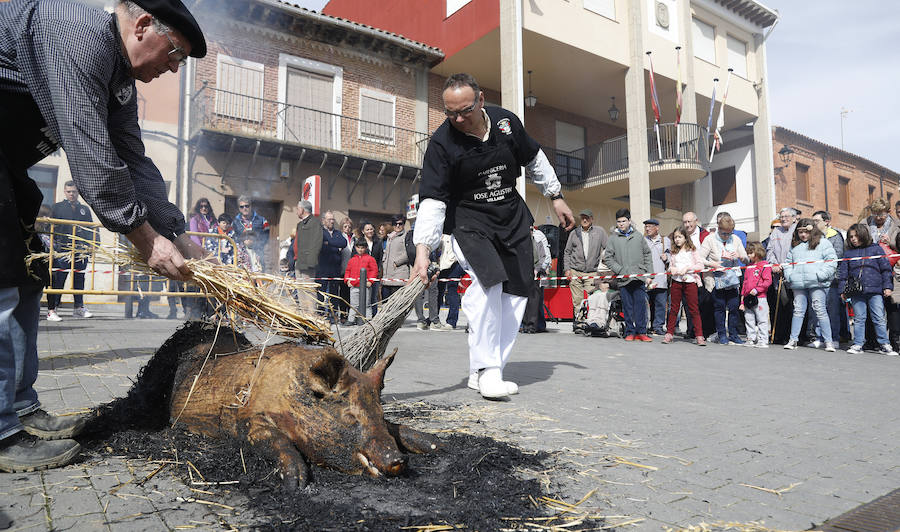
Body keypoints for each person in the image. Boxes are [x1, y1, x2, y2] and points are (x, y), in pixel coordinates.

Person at [0, 0, 208, 472]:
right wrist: (148, 240)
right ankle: (2, 431)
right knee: (1, 283)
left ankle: (22, 407)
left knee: (29, 273)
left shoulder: (119, 79)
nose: (173, 69)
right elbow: (94, 160)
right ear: (141, 27)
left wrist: (178, 230)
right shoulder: (81, 41)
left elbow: (133, 159)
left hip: (8, 161)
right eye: (174, 54)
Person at [410, 73, 574, 399]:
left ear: (481, 100)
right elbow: (432, 200)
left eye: (465, 110)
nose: (458, 119)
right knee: (488, 287)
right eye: (450, 113)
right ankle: (489, 371)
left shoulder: (505, 123)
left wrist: (555, 196)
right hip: (469, 222)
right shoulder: (442, 144)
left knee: (515, 294)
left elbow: (533, 158)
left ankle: (484, 369)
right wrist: (423, 251)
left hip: (511, 217)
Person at [838, 224, 897, 356]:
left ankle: (884, 344)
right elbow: (843, 273)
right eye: (851, 237)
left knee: (879, 318)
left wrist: (888, 286)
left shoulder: (876, 249)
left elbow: (886, 269)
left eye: (856, 236)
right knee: (859, 318)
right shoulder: (848, 253)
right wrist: (842, 290)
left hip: (875, 290)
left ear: (863, 235)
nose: (853, 239)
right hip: (856, 291)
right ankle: (858, 343)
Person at [782, 219, 837, 351]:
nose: (803, 235)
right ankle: (793, 339)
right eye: (800, 232)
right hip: (798, 283)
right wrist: (790, 276)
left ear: (812, 231)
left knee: (820, 310)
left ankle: (828, 341)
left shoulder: (823, 243)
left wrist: (821, 275)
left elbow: (831, 261)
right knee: (798, 311)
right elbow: (788, 263)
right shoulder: (795, 246)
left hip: (817, 283)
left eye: (805, 232)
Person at [46, 181, 96, 321]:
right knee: (58, 279)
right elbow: (49, 227)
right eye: (69, 191)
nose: (72, 194)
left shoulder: (84, 209)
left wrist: (93, 245)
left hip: (80, 250)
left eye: (74, 191)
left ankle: (78, 308)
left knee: (79, 279)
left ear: (78, 192)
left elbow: (92, 228)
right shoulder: (57, 207)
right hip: (62, 250)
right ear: (64, 192)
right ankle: (52, 309)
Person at [605, 208, 652, 342]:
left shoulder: (638, 236)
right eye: (619, 222)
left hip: (638, 277)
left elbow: (647, 254)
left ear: (629, 221)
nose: (621, 224)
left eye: (624, 221)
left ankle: (642, 332)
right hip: (623, 278)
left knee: (640, 306)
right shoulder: (613, 239)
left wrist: (649, 274)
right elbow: (608, 258)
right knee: (627, 307)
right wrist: (619, 270)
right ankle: (630, 332)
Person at [701, 213, 748, 345]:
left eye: (729, 233)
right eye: (724, 233)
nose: (726, 236)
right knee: (719, 308)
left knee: (734, 307)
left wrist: (739, 255)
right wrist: (713, 264)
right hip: (716, 278)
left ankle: (733, 334)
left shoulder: (736, 239)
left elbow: (746, 258)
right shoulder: (710, 239)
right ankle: (722, 334)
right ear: (718, 228)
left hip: (732, 279)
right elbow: (700, 258)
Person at [563, 209, 608, 324]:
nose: (584, 220)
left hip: (592, 272)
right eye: (582, 217)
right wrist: (567, 269)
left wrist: (605, 266)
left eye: (587, 217)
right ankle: (579, 322)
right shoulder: (574, 233)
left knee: (592, 298)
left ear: (592, 219)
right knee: (577, 300)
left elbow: (608, 249)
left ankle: (591, 321)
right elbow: (567, 252)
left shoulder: (600, 232)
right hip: (575, 271)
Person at [663, 226, 705, 346]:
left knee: (693, 309)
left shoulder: (692, 250)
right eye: (675, 237)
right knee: (674, 308)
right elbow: (670, 266)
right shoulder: (673, 252)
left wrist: (688, 268)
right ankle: (669, 333)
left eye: (680, 237)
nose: (677, 239)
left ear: (686, 238)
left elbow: (700, 265)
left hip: (690, 281)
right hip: (676, 282)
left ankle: (699, 335)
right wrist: (673, 269)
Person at [811, 210, 846, 346]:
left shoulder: (835, 235)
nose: (814, 224)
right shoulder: (814, 237)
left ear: (826, 222)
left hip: (832, 279)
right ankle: (820, 338)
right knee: (818, 309)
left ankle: (834, 338)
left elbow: (838, 255)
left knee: (832, 310)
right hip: (817, 278)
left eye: (817, 221)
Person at [767, 208, 798, 344]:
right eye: (781, 216)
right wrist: (773, 264)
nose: (784, 218)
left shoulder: (797, 231)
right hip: (778, 274)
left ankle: (795, 336)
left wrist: (787, 265)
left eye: (786, 216)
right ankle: (780, 335)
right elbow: (770, 251)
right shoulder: (776, 232)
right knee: (780, 306)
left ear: (793, 218)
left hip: (794, 273)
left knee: (794, 306)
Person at [681, 211, 714, 340]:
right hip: (685, 275)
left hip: (702, 274)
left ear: (696, 221)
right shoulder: (680, 235)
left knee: (704, 304)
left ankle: (705, 331)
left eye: (689, 221)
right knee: (688, 304)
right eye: (685, 222)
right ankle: (691, 331)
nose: (687, 224)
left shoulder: (705, 235)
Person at [740, 242, 773, 348]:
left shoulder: (764, 265)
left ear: (757, 252)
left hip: (760, 297)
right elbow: (744, 284)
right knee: (748, 318)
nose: (749, 255)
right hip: (748, 298)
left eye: (751, 253)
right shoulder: (749, 267)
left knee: (761, 319)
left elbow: (767, 281)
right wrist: (742, 300)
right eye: (748, 253)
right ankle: (751, 338)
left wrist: (757, 289)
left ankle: (763, 339)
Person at [521, 226, 551, 334]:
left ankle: (532, 326)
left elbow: (544, 257)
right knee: (524, 301)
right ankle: (524, 324)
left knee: (534, 302)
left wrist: (537, 269)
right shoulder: (520, 243)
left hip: (536, 274)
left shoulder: (538, 241)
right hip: (524, 274)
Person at [317, 210, 346, 321]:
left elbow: (343, 243)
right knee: (321, 292)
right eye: (329, 219)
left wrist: (329, 242)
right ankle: (320, 315)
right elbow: (321, 245)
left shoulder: (338, 233)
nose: (332, 221)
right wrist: (333, 243)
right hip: (322, 268)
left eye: (333, 219)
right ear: (323, 220)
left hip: (335, 269)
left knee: (334, 293)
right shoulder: (320, 231)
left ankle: (333, 316)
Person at [643, 218, 670, 336]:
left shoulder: (665, 241)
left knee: (660, 304)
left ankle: (657, 327)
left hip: (661, 278)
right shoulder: (643, 241)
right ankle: (645, 326)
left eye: (650, 226)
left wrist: (667, 257)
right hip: (647, 279)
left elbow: (672, 255)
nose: (647, 229)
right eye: (646, 227)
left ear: (657, 227)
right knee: (647, 304)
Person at [344, 239, 378, 323]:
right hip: (354, 285)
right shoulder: (352, 260)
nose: (360, 249)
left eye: (362, 247)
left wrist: (370, 281)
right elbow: (348, 270)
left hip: (366, 286)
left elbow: (374, 270)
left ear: (366, 248)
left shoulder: (370, 259)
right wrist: (347, 280)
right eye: (358, 247)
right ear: (355, 248)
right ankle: (351, 320)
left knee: (366, 304)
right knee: (354, 304)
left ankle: (368, 319)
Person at [233, 195, 269, 272]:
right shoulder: (235, 222)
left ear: (251, 206)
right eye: (241, 207)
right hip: (242, 255)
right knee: (244, 279)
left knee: (259, 278)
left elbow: (266, 236)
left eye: (247, 206)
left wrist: (256, 242)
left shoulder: (262, 220)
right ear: (239, 208)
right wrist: (243, 242)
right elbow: (233, 237)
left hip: (257, 253)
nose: (244, 208)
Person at [356, 222, 383, 315]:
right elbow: (354, 257)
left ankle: (374, 315)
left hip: (374, 274)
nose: (370, 231)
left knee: (373, 296)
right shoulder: (359, 242)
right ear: (363, 231)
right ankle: (360, 316)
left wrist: (378, 270)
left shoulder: (378, 242)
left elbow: (380, 258)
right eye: (367, 229)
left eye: (371, 229)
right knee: (361, 296)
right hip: (361, 274)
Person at [381, 214, 409, 300]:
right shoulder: (389, 237)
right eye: (395, 223)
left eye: (400, 223)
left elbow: (409, 253)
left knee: (396, 305)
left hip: (399, 276)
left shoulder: (407, 236)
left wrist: (397, 262)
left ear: (403, 224)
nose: (397, 226)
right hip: (387, 277)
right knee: (385, 303)